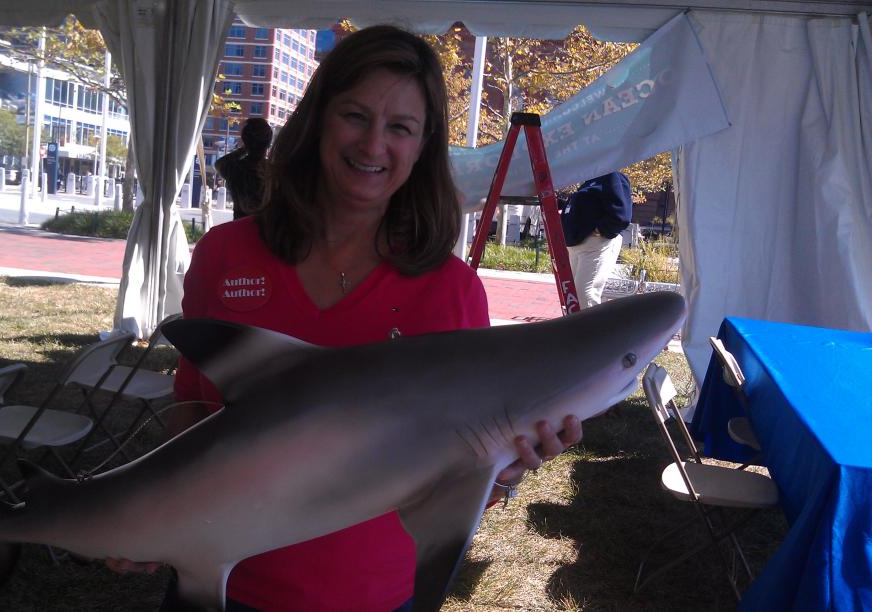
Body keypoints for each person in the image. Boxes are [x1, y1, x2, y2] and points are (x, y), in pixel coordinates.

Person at [108, 25, 583, 611]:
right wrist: (162, 507)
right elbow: (190, 403)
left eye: (400, 128)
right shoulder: (225, 254)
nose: (373, 145)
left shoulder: (451, 293)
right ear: (318, 121)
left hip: (375, 595)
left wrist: (508, 472)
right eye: (355, 115)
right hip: (222, 585)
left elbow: (462, 471)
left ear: (422, 145)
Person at [560, 172, 633, 308]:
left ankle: (589, 329)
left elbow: (622, 215)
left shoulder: (612, 176)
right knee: (572, 295)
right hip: (576, 245)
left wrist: (601, 230)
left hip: (596, 245)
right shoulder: (589, 180)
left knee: (585, 294)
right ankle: (574, 328)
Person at [215, 117, 273, 219]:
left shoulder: (234, 168)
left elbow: (219, 164)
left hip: (239, 229)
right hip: (266, 230)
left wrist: (244, 149)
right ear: (268, 143)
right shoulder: (274, 171)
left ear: (244, 140)